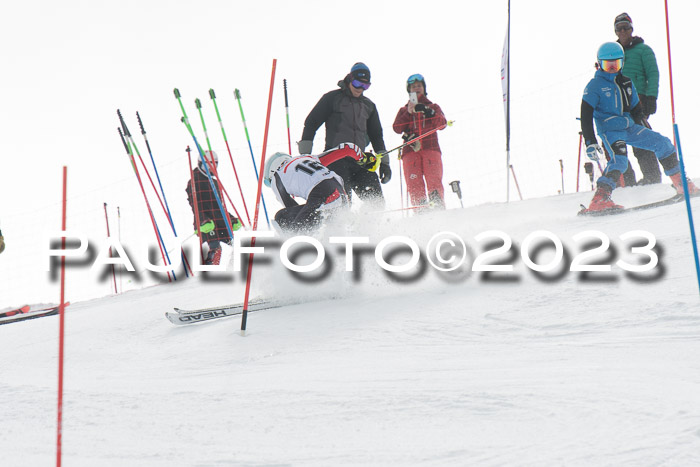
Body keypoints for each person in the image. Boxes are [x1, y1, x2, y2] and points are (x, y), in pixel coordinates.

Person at [580, 42, 697, 213]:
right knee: (619, 161)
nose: (612, 68)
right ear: (599, 64)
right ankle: (600, 199)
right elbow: (586, 114)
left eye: (616, 64)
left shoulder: (626, 82)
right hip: (610, 130)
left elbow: (635, 109)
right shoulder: (594, 86)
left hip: (629, 126)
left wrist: (642, 122)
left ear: (622, 63)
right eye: (607, 64)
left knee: (663, 143)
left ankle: (682, 184)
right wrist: (590, 141)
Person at [298, 62, 391, 208]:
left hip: (360, 160)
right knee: (342, 204)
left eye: (365, 86)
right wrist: (305, 156)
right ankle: (339, 228)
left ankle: (372, 227)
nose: (360, 89)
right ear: (350, 78)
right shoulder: (332, 98)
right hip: (336, 159)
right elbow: (311, 122)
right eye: (357, 83)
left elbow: (377, 135)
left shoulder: (369, 106)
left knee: (376, 202)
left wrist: (385, 163)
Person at [264, 143, 377, 232]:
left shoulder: (276, 177)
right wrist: (363, 158)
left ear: (271, 172)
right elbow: (347, 148)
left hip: (321, 195)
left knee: (282, 218)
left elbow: (290, 207)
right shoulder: (307, 158)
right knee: (329, 227)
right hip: (340, 193)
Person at [614, 12, 663, 186]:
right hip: (617, 104)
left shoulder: (643, 50)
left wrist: (651, 97)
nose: (623, 32)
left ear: (631, 29)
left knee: (640, 137)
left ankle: (652, 178)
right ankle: (626, 182)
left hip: (638, 101)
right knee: (615, 141)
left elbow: (653, 73)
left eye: (626, 28)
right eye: (619, 29)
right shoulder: (613, 53)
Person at [392, 73, 448, 208]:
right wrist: (408, 113)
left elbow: (442, 124)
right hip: (411, 152)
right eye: (413, 87)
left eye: (419, 86)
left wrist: (429, 112)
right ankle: (421, 211)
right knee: (414, 184)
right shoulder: (404, 110)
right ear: (409, 90)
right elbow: (397, 128)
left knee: (434, 180)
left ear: (424, 88)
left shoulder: (433, 107)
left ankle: (438, 207)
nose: (416, 88)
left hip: (431, 149)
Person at [186, 150, 241, 265]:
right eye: (206, 166)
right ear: (200, 164)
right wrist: (202, 221)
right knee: (216, 248)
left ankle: (235, 268)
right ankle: (211, 271)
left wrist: (231, 219)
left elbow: (220, 207)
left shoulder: (215, 183)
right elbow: (195, 206)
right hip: (206, 224)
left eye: (213, 165)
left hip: (219, 220)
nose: (210, 169)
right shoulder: (194, 182)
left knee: (237, 244)